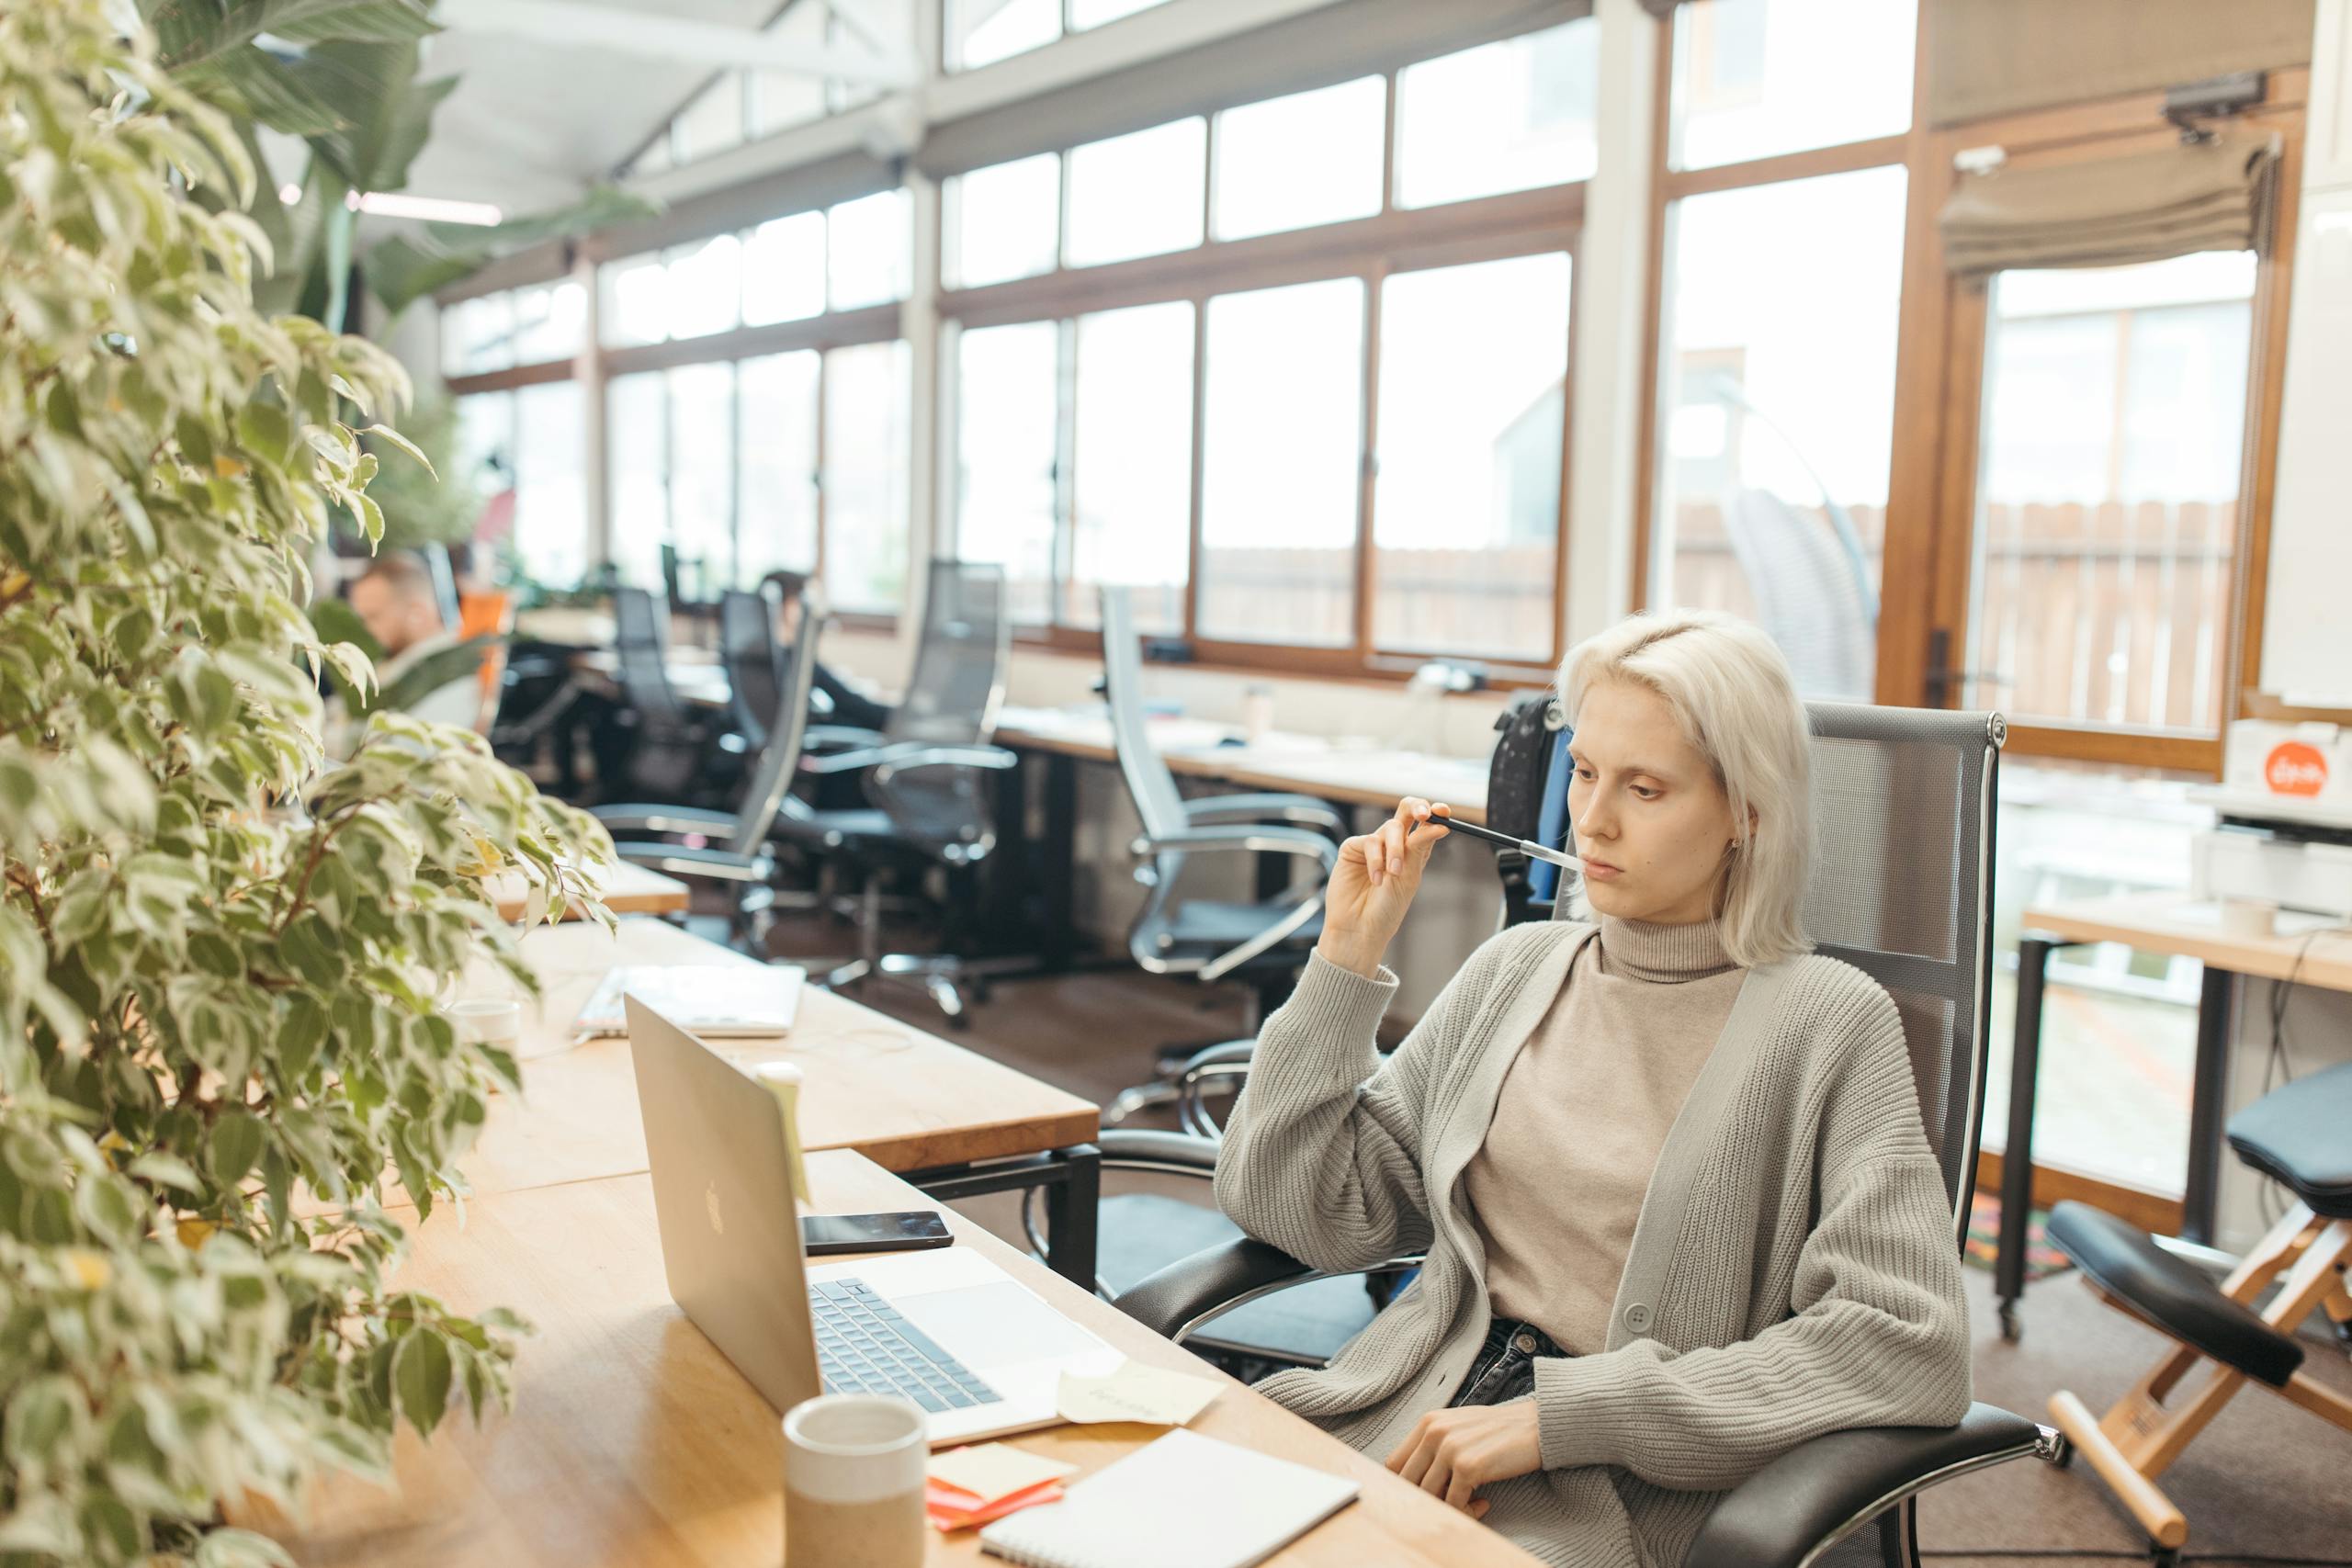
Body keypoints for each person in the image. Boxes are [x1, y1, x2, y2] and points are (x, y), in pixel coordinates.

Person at [1212, 609, 1970, 1568]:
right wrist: (1344, 960)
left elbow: (1906, 1346)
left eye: (1644, 788)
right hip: (1389, 1424)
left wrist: (1563, 1418)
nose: (1593, 818)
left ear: (1746, 812)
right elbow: (1304, 1209)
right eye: (1584, 771)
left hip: (1588, 1504)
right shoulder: (1515, 968)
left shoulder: (1827, 1022)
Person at [346, 552, 484, 735]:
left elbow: (409, 750)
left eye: (374, 616)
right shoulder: (398, 657)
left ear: (416, 613)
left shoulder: (449, 672)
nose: (367, 629)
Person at [759, 569, 892, 733]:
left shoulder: (754, 657)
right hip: (814, 744)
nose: (820, 612)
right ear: (791, 607)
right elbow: (856, 706)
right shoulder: (797, 660)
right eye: (814, 602)